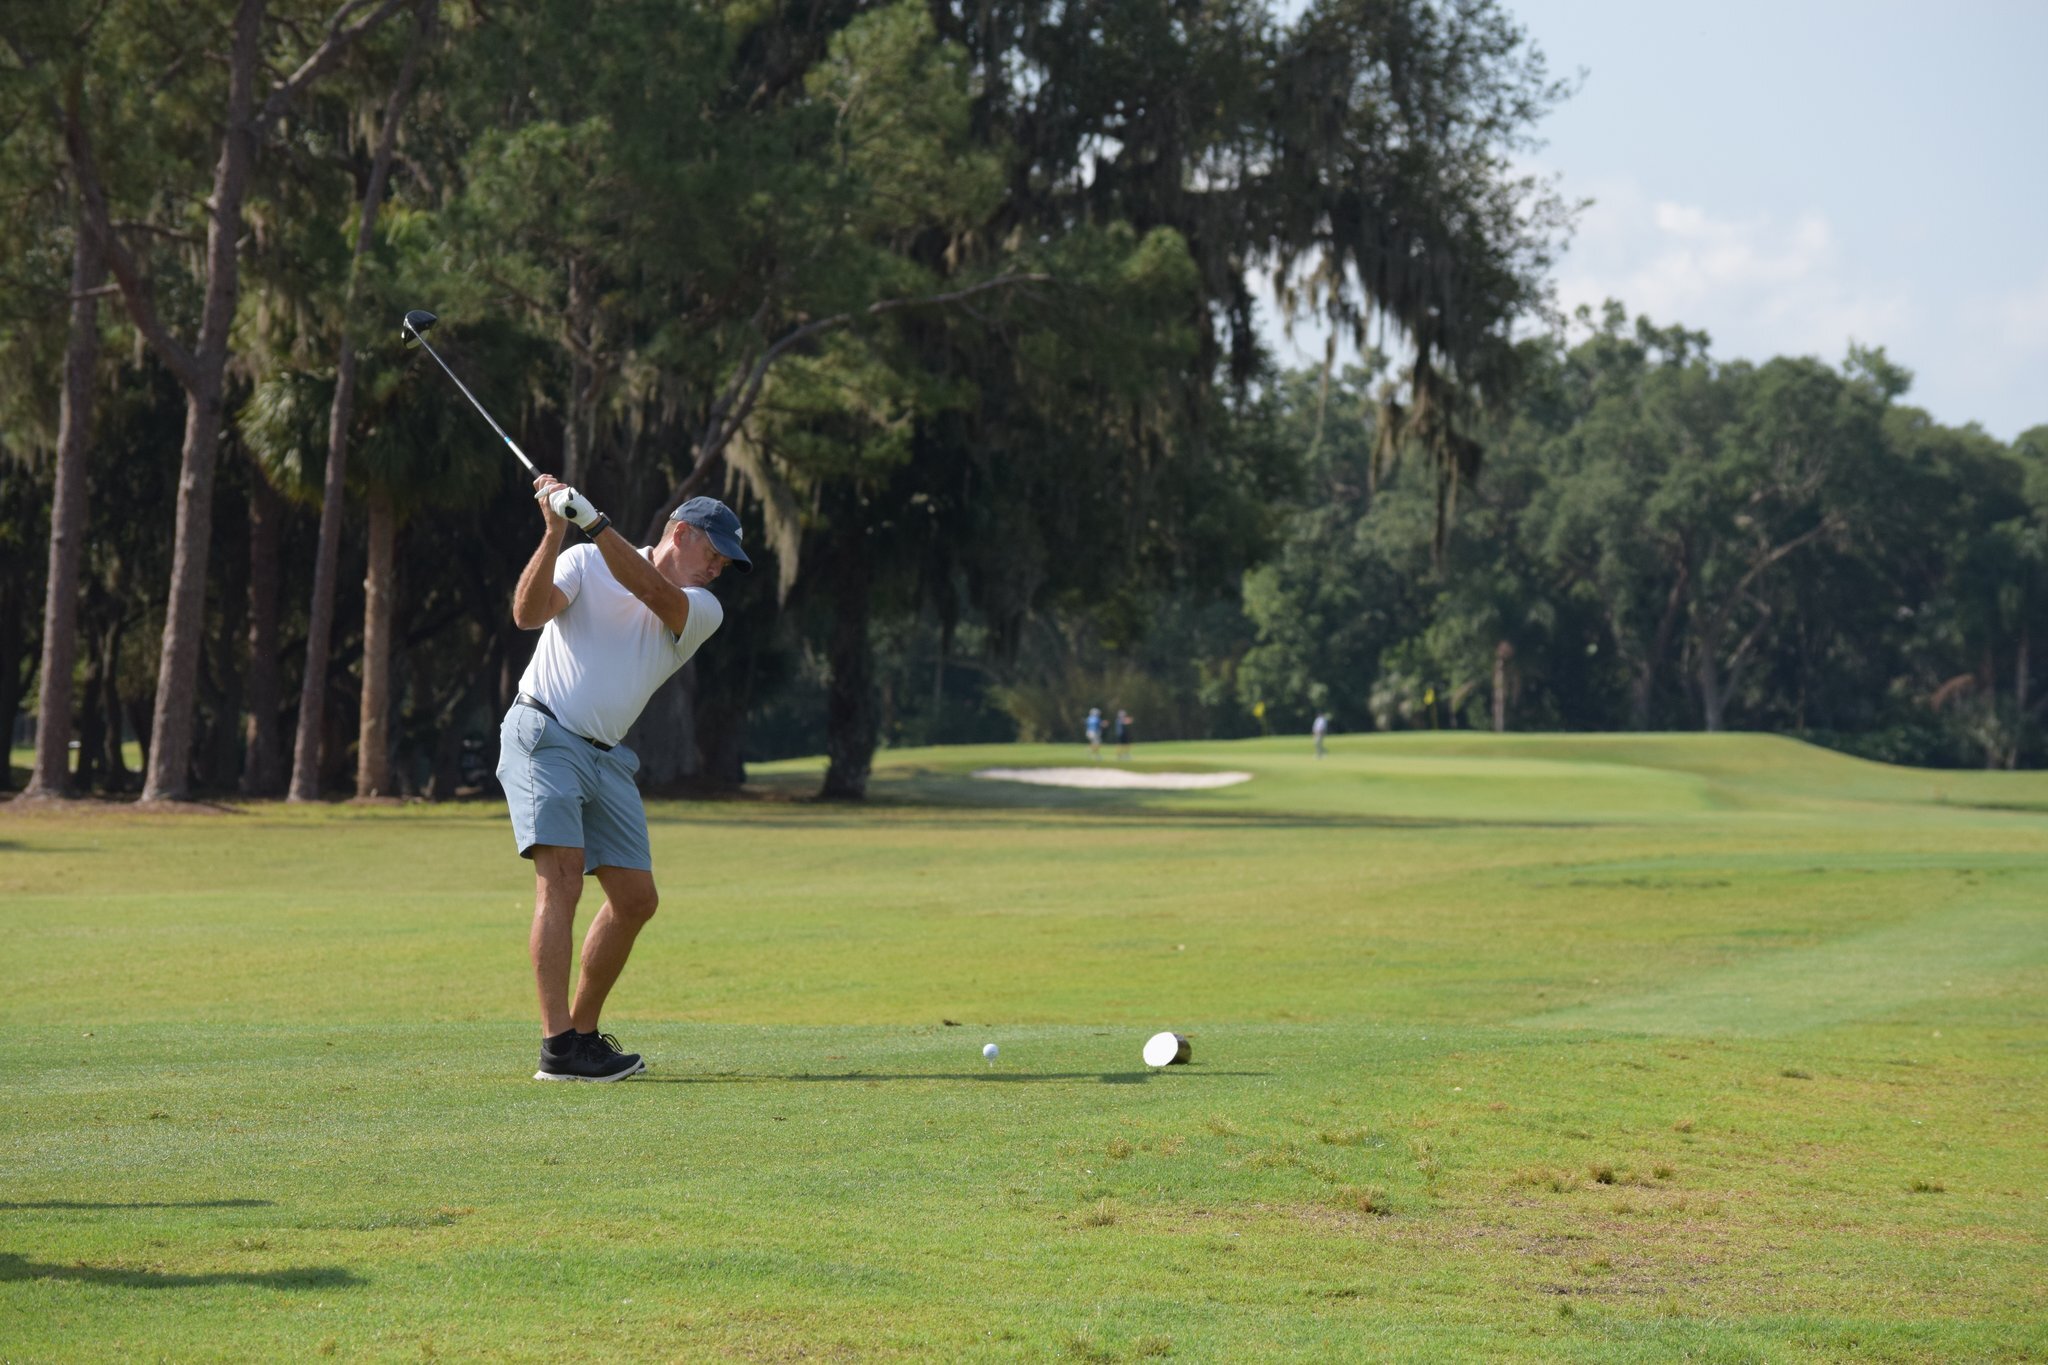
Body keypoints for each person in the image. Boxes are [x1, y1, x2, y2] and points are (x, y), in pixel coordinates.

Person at [497, 476, 750, 1081]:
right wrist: (556, 534)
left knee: (636, 899)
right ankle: (558, 1046)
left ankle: (583, 1035)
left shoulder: (703, 609)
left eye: (725, 562)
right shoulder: (584, 561)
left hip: (607, 756)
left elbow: (652, 590)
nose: (718, 568)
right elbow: (527, 615)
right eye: (714, 552)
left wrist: (593, 521)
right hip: (544, 731)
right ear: (679, 533)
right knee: (561, 882)